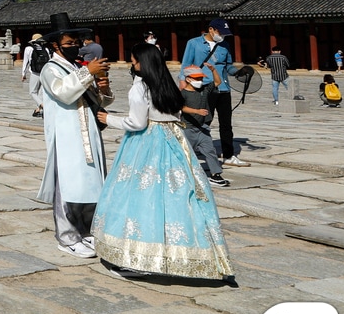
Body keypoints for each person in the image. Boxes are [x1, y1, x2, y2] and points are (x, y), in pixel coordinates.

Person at [91, 42, 233, 281]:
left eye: (134, 61)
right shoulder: (168, 85)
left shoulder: (140, 88)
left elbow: (137, 123)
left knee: (140, 198)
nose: (132, 65)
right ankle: (197, 255)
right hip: (175, 142)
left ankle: (137, 259)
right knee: (180, 198)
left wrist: (109, 118)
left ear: (141, 64)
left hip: (146, 145)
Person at [36, 13, 110, 259]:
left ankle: (86, 230)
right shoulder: (50, 69)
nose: (75, 47)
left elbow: (99, 100)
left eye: (76, 42)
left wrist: (104, 86)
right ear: (55, 45)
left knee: (91, 183)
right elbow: (63, 93)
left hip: (88, 131)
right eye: (69, 44)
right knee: (67, 185)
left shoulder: (77, 66)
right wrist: (88, 71)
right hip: (66, 134)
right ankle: (67, 237)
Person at [181, 18, 247, 166]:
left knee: (226, 123)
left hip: (223, 88)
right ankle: (194, 150)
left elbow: (228, 67)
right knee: (202, 121)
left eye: (225, 34)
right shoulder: (194, 43)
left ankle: (229, 155)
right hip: (203, 87)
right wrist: (183, 84)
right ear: (211, 29)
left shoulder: (225, 45)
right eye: (220, 32)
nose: (222, 36)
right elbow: (185, 65)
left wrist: (238, 72)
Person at [179, 67, 228, 186]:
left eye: (201, 78)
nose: (200, 81)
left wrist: (213, 70)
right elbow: (181, 107)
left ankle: (215, 174)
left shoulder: (204, 90)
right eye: (197, 78)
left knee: (210, 150)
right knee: (186, 153)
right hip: (188, 129)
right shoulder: (183, 94)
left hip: (202, 128)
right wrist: (196, 111)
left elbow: (217, 82)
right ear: (188, 79)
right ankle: (182, 173)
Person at [21, 33, 45, 118]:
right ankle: (38, 110)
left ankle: (43, 107)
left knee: (33, 92)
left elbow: (26, 62)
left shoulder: (29, 48)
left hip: (35, 72)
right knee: (42, 93)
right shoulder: (45, 48)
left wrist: (23, 73)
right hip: (45, 73)